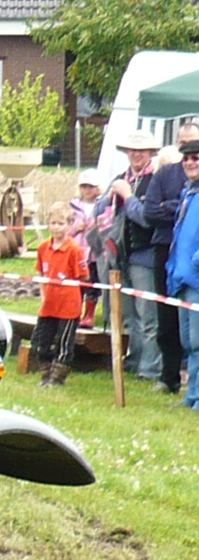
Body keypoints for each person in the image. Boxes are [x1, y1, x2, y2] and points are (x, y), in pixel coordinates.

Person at [118, 120, 199, 392]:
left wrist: (169, 207)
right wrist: (170, 208)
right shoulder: (166, 175)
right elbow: (151, 213)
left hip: (192, 262)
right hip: (167, 253)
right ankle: (171, 378)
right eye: (184, 147)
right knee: (169, 320)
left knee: (194, 330)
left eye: (194, 150)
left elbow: (165, 212)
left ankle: (193, 387)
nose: (189, 158)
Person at [109, 129, 164, 384]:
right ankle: (134, 361)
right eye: (133, 150)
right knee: (129, 316)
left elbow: (146, 218)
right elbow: (101, 213)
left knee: (148, 316)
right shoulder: (120, 179)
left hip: (146, 256)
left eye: (141, 150)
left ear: (150, 152)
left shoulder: (156, 180)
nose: (136, 155)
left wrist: (127, 197)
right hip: (122, 256)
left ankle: (150, 369)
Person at [32, 202, 89, 387]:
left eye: (61, 223)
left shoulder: (74, 250)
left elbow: (83, 277)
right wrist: (43, 296)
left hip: (68, 305)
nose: (57, 227)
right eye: (53, 223)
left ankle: (57, 379)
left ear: (70, 224)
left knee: (64, 344)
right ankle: (45, 375)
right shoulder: (43, 248)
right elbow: (41, 274)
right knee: (41, 342)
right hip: (49, 304)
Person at [167, 139, 199, 408]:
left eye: (195, 157)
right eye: (186, 158)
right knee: (188, 342)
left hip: (197, 279)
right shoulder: (188, 193)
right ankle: (191, 396)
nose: (189, 162)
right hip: (181, 278)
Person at [70, 168, 103, 327]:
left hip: (95, 253)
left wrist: (97, 225)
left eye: (90, 186)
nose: (87, 190)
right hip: (77, 252)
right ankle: (74, 313)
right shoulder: (73, 206)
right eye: (84, 186)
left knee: (92, 284)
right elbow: (64, 228)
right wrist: (77, 228)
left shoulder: (102, 204)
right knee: (77, 285)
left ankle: (89, 315)